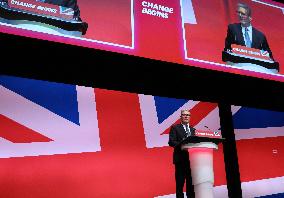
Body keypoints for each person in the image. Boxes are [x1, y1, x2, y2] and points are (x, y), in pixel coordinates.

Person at [168, 110, 195, 198]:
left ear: (190, 117)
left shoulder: (193, 129)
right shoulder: (175, 128)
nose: (186, 116)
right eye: (184, 115)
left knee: (191, 183)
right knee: (180, 184)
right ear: (181, 117)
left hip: (192, 160)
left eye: (188, 115)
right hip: (180, 159)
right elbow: (171, 142)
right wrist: (182, 145)